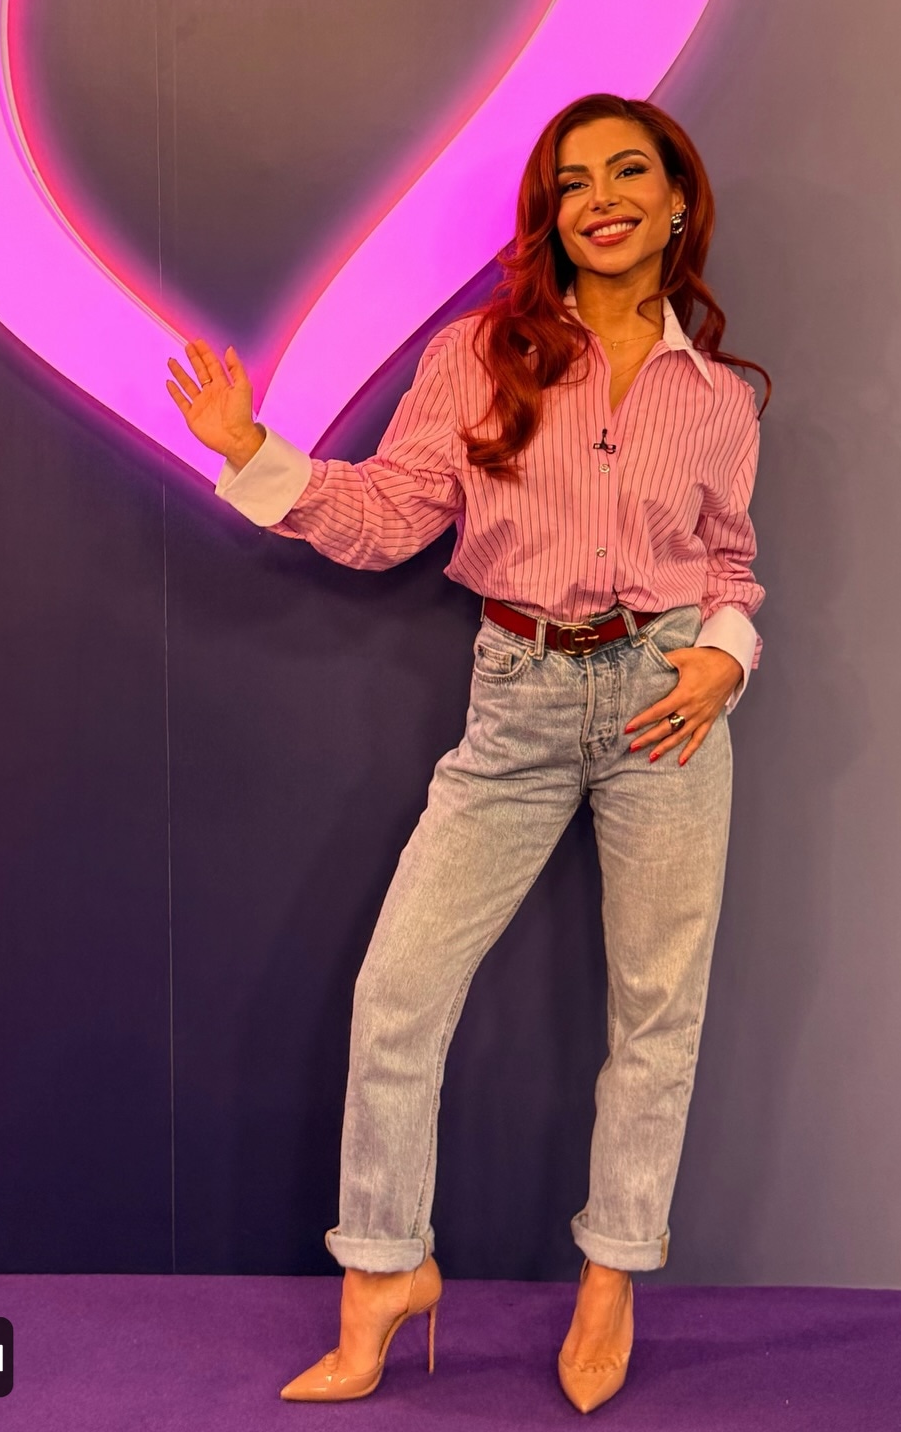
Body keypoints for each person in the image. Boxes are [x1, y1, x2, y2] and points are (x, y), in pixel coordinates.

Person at [166, 94, 767, 1414]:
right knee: (399, 994)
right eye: (573, 183)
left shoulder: (721, 398)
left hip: (667, 700)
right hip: (517, 700)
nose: (601, 198)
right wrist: (256, 458)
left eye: (629, 172)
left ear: (677, 200)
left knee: (657, 1011)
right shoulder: (483, 354)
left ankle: (612, 1272)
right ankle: (384, 1272)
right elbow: (391, 516)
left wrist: (728, 653)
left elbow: (731, 562)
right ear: (551, 217)